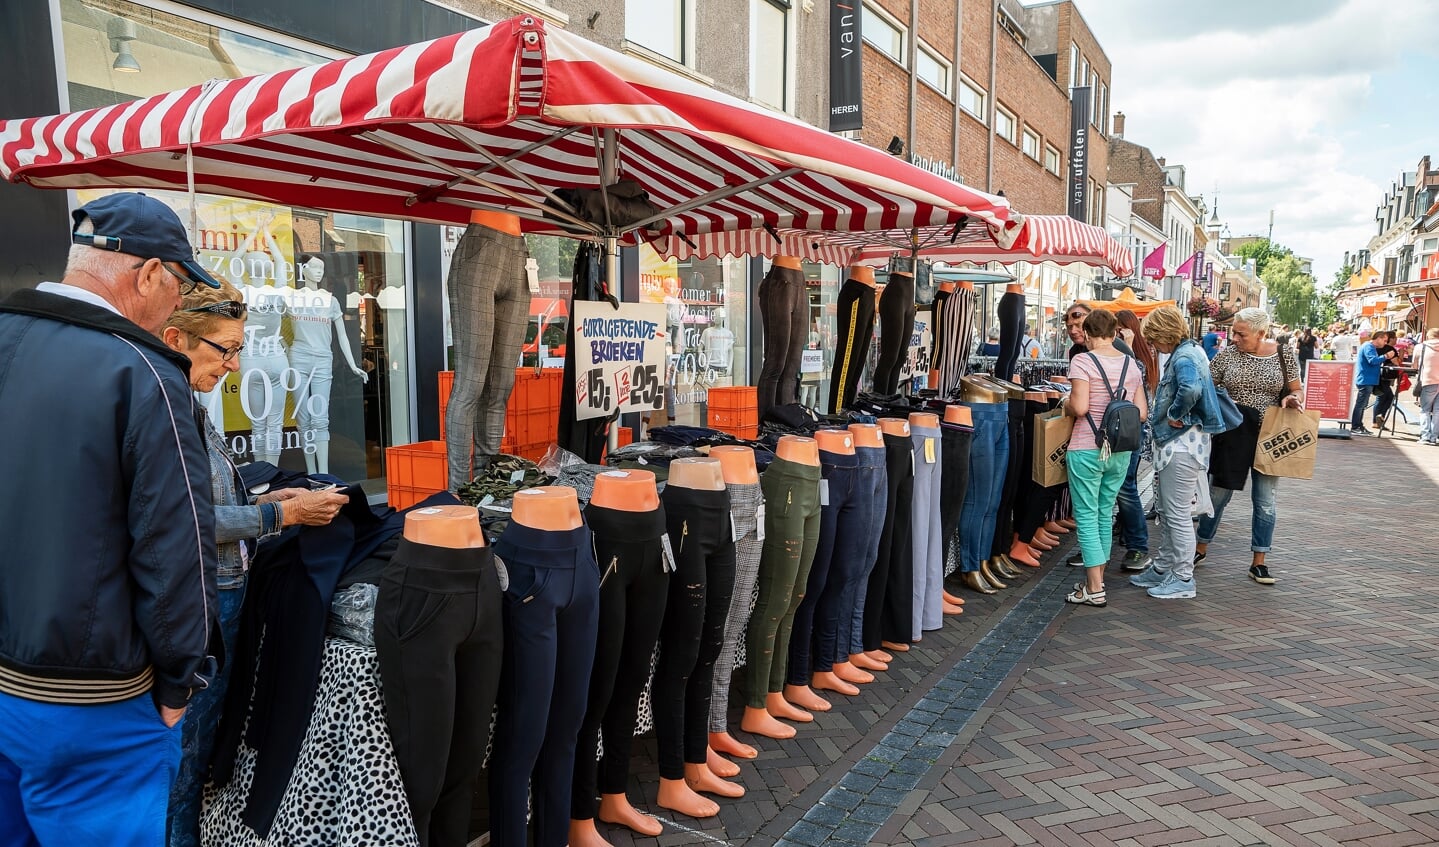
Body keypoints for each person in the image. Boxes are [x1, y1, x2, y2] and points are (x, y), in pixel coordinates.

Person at [0, 192, 223, 846]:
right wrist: (183, 678)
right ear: (148, 273)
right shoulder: (144, 371)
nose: (175, 304)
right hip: (96, 705)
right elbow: (175, 550)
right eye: (178, 285)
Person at [159, 280, 351, 847]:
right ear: (176, 338)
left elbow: (208, 503)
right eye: (225, 348)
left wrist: (266, 502)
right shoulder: (165, 411)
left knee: (201, 745)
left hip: (222, 592)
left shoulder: (186, 401)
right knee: (186, 757)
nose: (235, 365)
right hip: (205, 601)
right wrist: (282, 519)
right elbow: (185, 522)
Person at [1195, 307, 1302, 586]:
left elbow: (1296, 388)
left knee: (1265, 500)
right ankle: (1199, 548)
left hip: (1270, 432)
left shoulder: (1283, 354)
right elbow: (1206, 384)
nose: (1235, 338)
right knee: (1218, 494)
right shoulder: (1229, 354)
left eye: (1241, 334)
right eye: (1234, 332)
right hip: (1233, 431)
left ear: (1261, 333)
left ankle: (1259, 562)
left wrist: (1293, 398)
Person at [1129, 307, 1227, 600]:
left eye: (1154, 339)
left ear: (1163, 333)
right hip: (1185, 444)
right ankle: (1164, 568)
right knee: (1172, 512)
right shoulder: (1191, 351)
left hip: (1180, 444)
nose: (1152, 345)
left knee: (1176, 514)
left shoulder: (1183, 356)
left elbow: (1190, 389)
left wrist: (1174, 414)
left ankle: (1182, 577)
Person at [1062, 309, 1148, 608]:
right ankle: (1094, 581)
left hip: (1087, 446)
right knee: (1103, 513)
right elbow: (1142, 413)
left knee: (1086, 516)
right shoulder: (1131, 365)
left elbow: (1081, 406)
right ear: (1114, 334)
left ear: (1086, 333)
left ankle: (1095, 588)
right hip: (1120, 450)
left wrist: (1067, 404)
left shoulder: (1082, 361)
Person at [1111, 309, 1156, 572]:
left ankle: (1139, 546)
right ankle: (1130, 535)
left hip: (1131, 431)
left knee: (1126, 487)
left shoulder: (1137, 357)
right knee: (1124, 486)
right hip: (1127, 431)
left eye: (1118, 330)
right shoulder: (1138, 356)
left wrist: (1126, 347)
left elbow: (1136, 387)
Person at [1350, 330, 1397, 436]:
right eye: (1384, 340)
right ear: (1378, 338)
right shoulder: (1369, 346)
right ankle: (1356, 426)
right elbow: (1372, 360)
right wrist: (1386, 356)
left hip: (1368, 379)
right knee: (1361, 404)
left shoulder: (1370, 347)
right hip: (1365, 379)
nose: (1385, 343)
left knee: (1362, 404)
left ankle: (1358, 425)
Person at [1416, 328, 1439, 445]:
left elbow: (1415, 364)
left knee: (1425, 410)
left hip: (1429, 381)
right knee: (1438, 411)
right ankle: (1434, 437)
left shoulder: (1421, 347)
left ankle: (1425, 436)